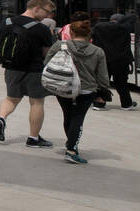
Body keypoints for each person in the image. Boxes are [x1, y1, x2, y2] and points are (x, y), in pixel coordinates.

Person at [44, 13, 112, 164]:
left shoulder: (59, 46)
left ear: (72, 32)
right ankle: (72, 149)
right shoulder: (97, 51)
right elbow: (102, 76)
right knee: (78, 118)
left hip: (63, 87)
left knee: (68, 116)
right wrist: (103, 91)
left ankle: (71, 144)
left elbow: (47, 63)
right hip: (86, 90)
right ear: (89, 34)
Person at [0, 0, 57, 147]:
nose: (48, 16)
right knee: (36, 103)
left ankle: (1, 118)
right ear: (36, 8)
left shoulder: (6, 22)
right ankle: (33, 138)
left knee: (11, 98)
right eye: (47, 12)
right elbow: (47, 53)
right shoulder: (41, 29)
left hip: (11, 68)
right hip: (34, 70)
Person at [92, 12, 137, 109]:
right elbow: (126, 47)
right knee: (122, 83)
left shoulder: (99, 27)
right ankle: (126, 104)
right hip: (121, 61)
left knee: (102, 82)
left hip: (104, 60)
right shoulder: (124, 29)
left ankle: (99, 103)